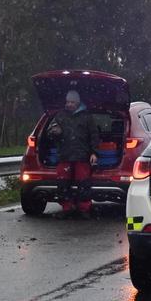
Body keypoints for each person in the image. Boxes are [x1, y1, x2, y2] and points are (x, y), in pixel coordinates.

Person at [48, 90, 99, 218]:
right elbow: (50, 130)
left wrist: (94, 152)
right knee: (63, 183)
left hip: (82, 156)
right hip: (64, 155)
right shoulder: (60, 115)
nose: (69, 104)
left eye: (72, 102)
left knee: (84, 183)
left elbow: (94, 135)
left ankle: (84, 209)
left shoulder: (87, 117)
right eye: (68, 102)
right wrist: (54, 131)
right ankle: (67, 208)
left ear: (77, 102)